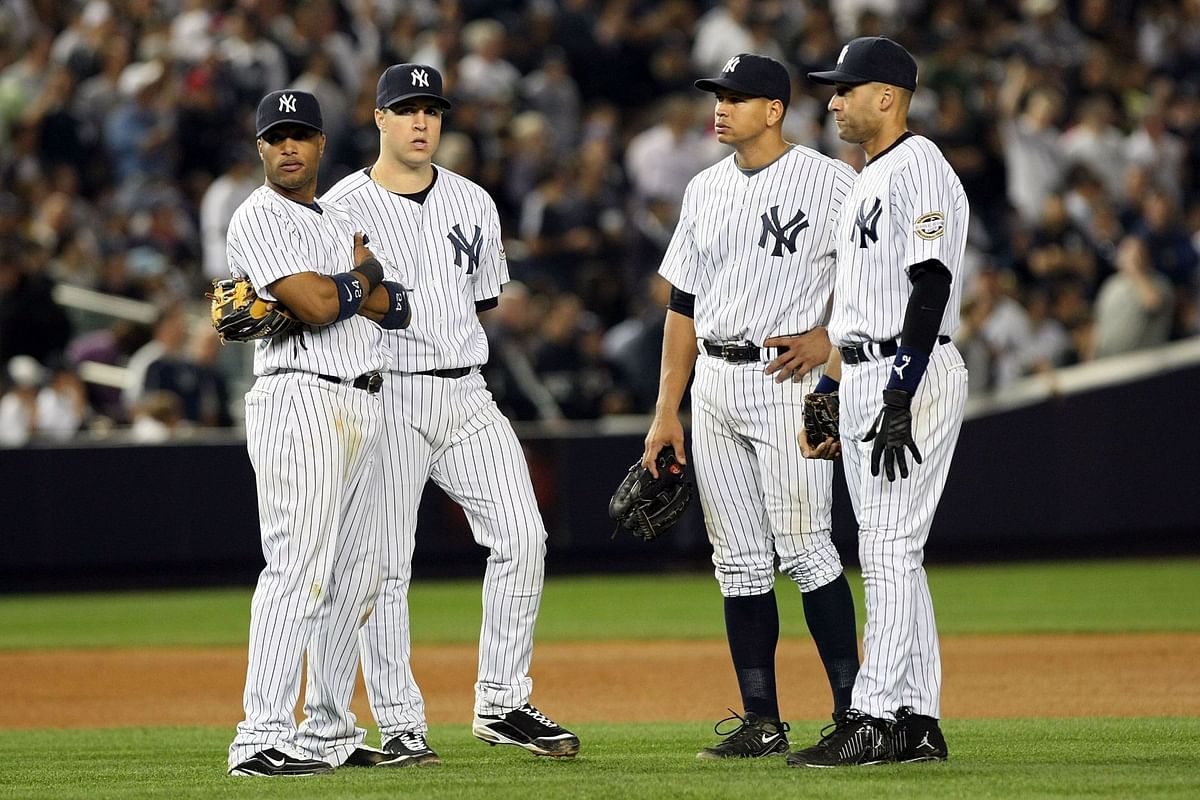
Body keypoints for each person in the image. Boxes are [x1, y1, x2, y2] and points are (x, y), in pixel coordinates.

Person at [322, 63, 579, 764]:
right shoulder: (340, 206)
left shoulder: (474, 201)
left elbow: (483, 301)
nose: (421, 121)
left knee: (524, 536)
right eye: (406, 109)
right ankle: (402, 722)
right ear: (378, 118)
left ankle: (502, 702)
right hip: (387, 393)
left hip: (466, 392)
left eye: (431, 110)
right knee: (385, 566)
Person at [638, 53, 861, 760]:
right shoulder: (703, 189)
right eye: (718, 95)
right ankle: (762, 721)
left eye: (738, 96)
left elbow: (871, 276)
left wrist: (829, 338)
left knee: (806, 549)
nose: (721, 106)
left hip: (786, 381)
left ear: (774, 110)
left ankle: (856, 714)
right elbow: (682, 306)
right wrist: (665, 411)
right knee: (736, 563)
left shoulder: (830, 181)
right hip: (715, 384)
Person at [789, 36, 970, 767]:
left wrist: (900, 386)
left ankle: (869, 716)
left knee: (890, 547)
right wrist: (831, 387)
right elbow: (861, 303)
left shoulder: (920, 166)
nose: (832, 100)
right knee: (894, 553)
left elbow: (931, 284)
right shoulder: (870, 174)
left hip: (908, 367)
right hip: (866, 366)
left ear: (887, 97)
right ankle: (916, 722)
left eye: (845, 88)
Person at [226, 89, 414, 777]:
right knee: (298, 570)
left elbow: (395, 307)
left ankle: (325, 732)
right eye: (277, 137)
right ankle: (258, 738)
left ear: (321, 144)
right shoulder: (257, 215)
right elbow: (312, 302)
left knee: (357, 577)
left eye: (300, 135)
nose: (289, 147)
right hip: (299, 399)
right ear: (261, 147)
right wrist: (359, 280)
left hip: (364, 400)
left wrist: (350, 288)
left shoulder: (339, 216)